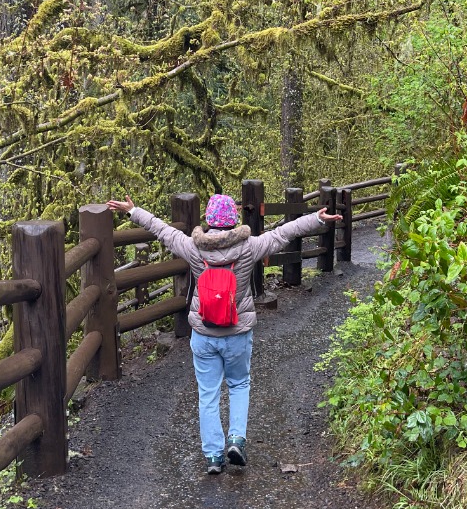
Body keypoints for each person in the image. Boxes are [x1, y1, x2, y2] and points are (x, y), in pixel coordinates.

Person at [106, 193, 343, 474]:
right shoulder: (250, 247)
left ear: (209, 220)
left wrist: (134, 211)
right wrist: (316, 218)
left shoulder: (193, 248)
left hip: (204, 333)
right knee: (239, 385)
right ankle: (236, 440)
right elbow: (284, 233)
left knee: (208, 394)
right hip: (237, 332)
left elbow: (163, 231)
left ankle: (213, 457)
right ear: (233, 221)